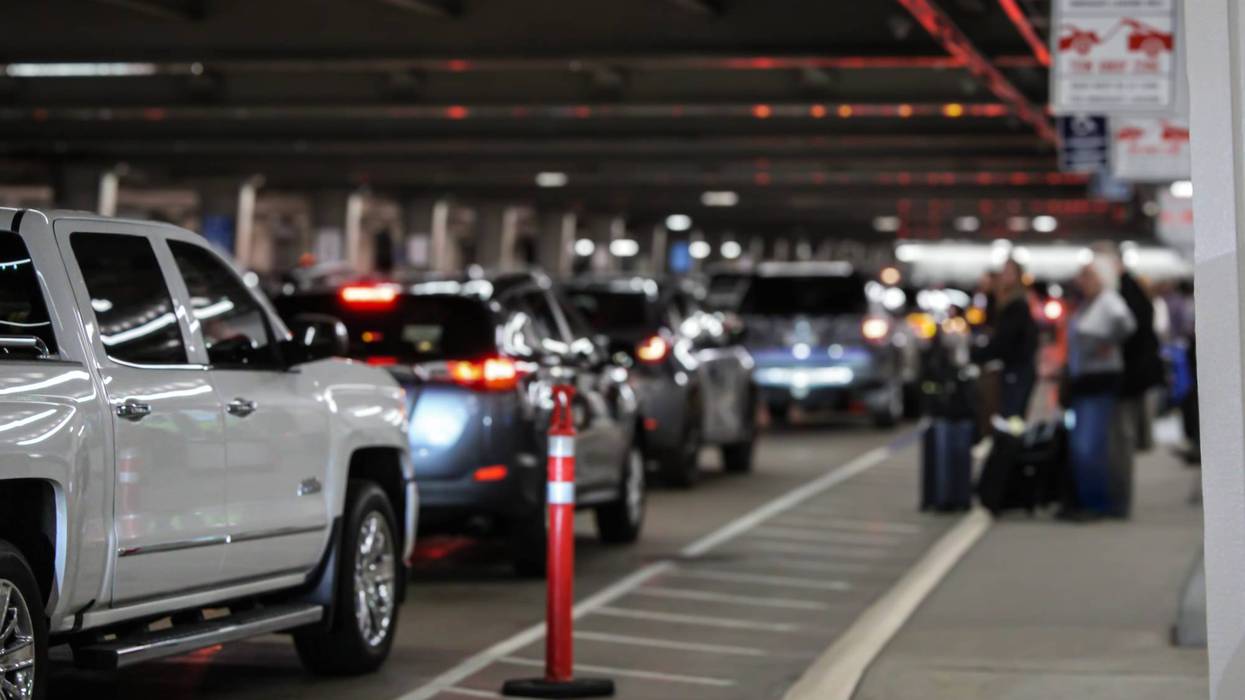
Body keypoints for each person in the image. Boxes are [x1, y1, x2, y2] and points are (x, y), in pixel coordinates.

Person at [1062, 257, 1136, 519]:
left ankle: (1096, 502)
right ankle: (1088, 500)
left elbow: (1125, 323)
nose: (1083, 282)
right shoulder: (1089, 304)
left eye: (1088, 276)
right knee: (1084, 443)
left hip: (1099, 381)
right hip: (1085, 381)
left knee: (1089, 445)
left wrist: (1108, 341)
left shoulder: (1107, 301)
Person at [973, 258, 1039, 419]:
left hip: (1017, 369)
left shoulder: (1016, 305)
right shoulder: (1004, 301)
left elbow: (1004, 341)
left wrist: (977, 355)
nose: (1004, 276)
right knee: (1010, 415)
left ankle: (1013, 444)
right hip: (1015, 368)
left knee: (1011, 417)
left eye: (1009, 272)